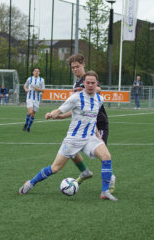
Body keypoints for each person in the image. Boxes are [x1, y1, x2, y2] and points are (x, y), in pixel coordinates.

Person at [19, 71, 118, 201]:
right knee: (55, 168)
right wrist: (52, 114)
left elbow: (92, 120)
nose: (90, 85)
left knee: (106, 156)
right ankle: (30, 183)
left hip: (90, 138)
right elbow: (60, 109)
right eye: (87, 82)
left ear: (96, 84)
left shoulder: (99, 99)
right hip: (73, 139)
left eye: (93, 83)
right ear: (83, 83)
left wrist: (99, 138)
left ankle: (105, 191)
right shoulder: (76, 97)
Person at [68, 54, 115, 192]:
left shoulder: (87, 79)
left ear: (83, 65)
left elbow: (98, 89)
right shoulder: (76, 83)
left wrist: (84, 89)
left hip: (98, 122)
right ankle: (85, 172)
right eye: (73, 67)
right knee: (70, 150)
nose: (75, 69)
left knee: (103, 154)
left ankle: (110, 179)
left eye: (77, 66)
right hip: (84, 125)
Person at [22, 67, 45, 132]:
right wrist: (26, 89)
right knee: (30, 112)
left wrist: (38, 89)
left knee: (33, 114)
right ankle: (26, 124)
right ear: (33, 72)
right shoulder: (30, 79)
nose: (36, 72)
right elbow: (25, 86)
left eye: (38, 71)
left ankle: (28, 127)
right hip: (29, 98)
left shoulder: (41, 80)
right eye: (35, 71)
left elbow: (43, 90)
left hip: (37, 99)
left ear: (39, 73)